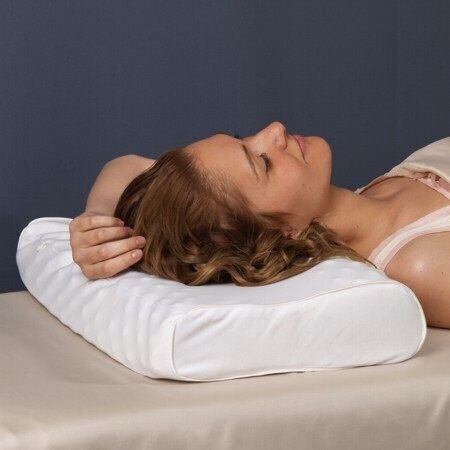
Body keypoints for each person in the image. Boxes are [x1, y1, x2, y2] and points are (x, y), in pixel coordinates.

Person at [69, 121, 450, 327]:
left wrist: (97, 222)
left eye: (244, 139)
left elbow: (128, 166)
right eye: (262, 162)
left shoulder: (375, 202)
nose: (274, 130)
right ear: (281, 232)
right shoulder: (422, 264)